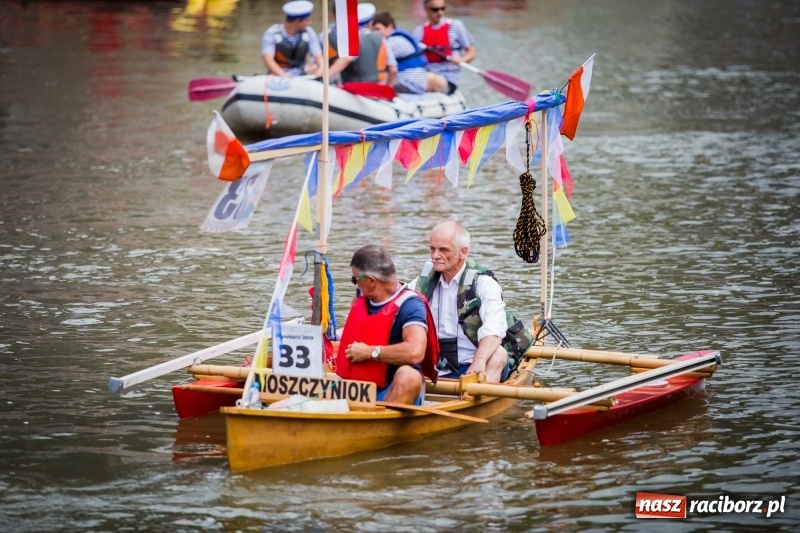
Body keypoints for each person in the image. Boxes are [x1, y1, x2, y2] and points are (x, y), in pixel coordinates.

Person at [412, 221, 534, 383]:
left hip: (474, 364)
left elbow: (494, 330)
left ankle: (481, 399)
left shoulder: (484, 283)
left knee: (498, 354)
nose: (435, 256)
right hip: (433, 366)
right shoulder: (422, 282)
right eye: (432, 249)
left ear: (463, 252)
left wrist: (479, 361)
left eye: (443, 250)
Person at [335, 245, 439, 405]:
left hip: (392, 389)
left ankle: (377, 422)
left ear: (370, 280)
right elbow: (355, 332)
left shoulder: (410, 305)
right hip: (357, 386)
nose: (355, 285)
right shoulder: (360, 297)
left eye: (355, 280)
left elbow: (415, 352)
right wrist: (330, 335)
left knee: (409, 376)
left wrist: (370, 352)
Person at [372, 11, 448, 94]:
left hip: (410, 84)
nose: (375, 33)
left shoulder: (392, 42)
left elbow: (384, 67)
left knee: (378, 77)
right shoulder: (400, 37)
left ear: (390, 27)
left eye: (378, 29)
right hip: (419, 83)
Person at [412, 0, 476, 94]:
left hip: (448, 79)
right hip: (427, 74)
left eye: (443, 8)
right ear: (426, 9)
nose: (440, 12)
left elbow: (472, 52)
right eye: (435, 9)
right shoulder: (418, 32)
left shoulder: (456, 26)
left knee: (431, 79)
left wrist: (462, 60)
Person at [323, 3, 396, 85]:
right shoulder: (382, 38)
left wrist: (324, 78)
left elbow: (347, 59)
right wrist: (389, 88)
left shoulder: (352, 38)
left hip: (354, 87)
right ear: (370, 23)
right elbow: (393, 70)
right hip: (378, 86)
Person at [261, 0, 323, 77]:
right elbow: (268, 59)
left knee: (315, 66)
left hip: (302, 74)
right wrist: (282, 74)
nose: (309, 23)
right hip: (278, 74)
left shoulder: (309, 32)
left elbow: (317, 55)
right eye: (307, 20)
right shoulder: (271, 33)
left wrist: (320, 68)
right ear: (297, 21)